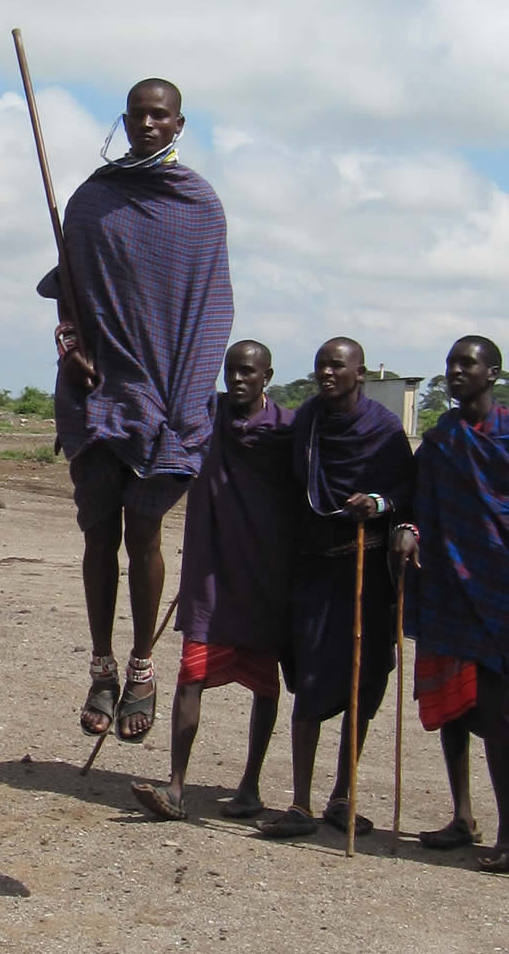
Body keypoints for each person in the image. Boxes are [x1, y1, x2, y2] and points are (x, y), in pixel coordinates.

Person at [40, 78, 231, 745]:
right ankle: (102, 667)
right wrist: (70, 344)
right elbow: (68, 294)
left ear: (179, 124)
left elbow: (211, 309)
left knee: (144, 535)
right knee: (99, 536)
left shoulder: (199, 206)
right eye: (138, 116)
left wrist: (188, 398)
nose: (148, 125)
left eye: (161, 116)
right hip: (96, 395)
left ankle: (143, 671)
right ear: (123, 121)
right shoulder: (91, 200)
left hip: (168, 397)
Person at [395, 336, 509, 872]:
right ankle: (463, 816)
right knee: (450, 705)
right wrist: (408, 529)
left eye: (467, 364)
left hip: (497, 592)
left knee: (495, 710)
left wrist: (504, 583)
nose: (455, 372)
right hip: (445, 589)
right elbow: (416, 503)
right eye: (451, 365)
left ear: (493, 373)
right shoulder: (441, 440)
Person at [132, 340, 294, 822]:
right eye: (231, 371)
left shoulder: (286, 430)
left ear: (268, 375)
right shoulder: (208, 415)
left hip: (264, 575)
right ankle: (176, 786)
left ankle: (250, 786)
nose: (238, 379)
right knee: (192, 674)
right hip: (210, 572)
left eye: (248, 372)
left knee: (265, 686)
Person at [257, 337, 410, 840]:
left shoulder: (384, 430)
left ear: (359, 374)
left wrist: (380, 505)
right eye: (321, 365)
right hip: (313, 572)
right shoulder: (307, 421)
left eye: (337, 366)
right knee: (311, 680)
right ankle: (299, 803)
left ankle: (342, 796)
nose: (327, 373)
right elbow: (285, 485)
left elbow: (407, 495)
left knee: (362, 685)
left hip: (365, 573)